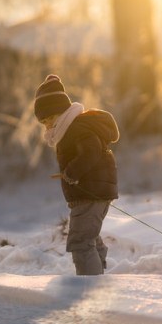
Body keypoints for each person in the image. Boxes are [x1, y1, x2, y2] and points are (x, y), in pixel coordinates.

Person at [33, 74, 120, 275]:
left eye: (50, 119)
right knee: (89, 236)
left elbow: (92, 151)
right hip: (92, 192)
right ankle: (97, 278)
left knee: (81, 242)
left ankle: (89, 286)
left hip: (90, 193)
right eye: (44, 122)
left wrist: (72, 171)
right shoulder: (71, 127)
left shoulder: (76, 127)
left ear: (61, 111)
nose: (47, 125)